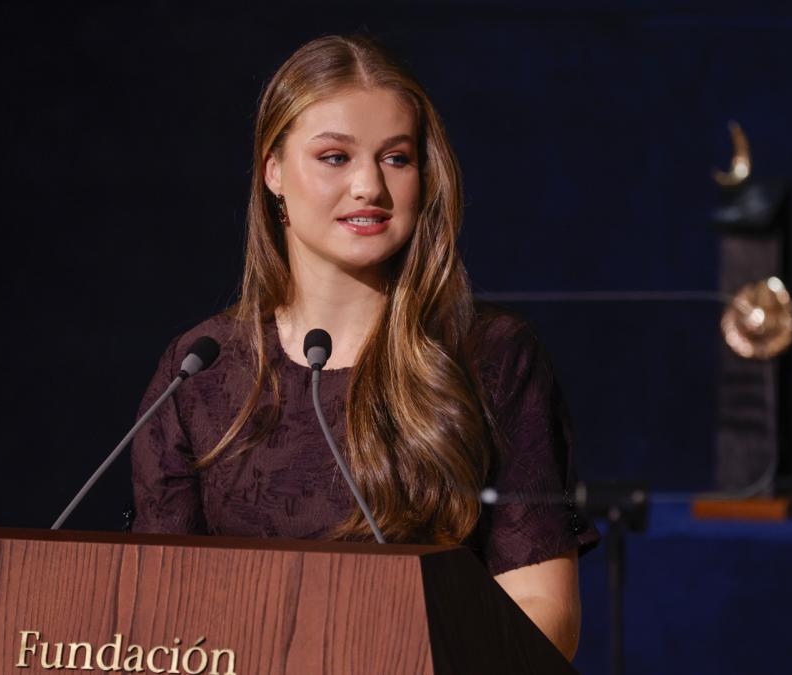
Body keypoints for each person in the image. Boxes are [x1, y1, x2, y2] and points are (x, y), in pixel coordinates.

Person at [130, 34, 598, 661]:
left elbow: (544, 615)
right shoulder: (200, 367)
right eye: (334, 157)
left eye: (396, 158)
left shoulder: (490, 356)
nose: (368, 186)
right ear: (273, 171)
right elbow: (157, 613)